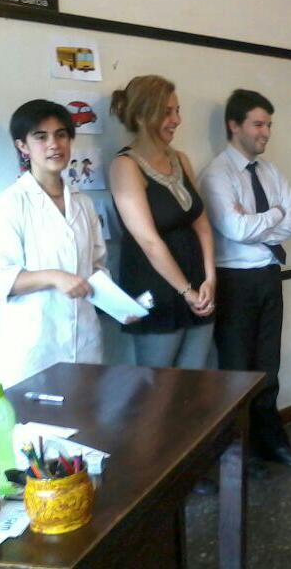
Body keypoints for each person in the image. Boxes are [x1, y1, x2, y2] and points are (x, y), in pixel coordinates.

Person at [200, 89, 291, 479]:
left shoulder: (270, 172)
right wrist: (274, 214)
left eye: (269, 125)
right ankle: (238, 454)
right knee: (236, 371)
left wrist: (266, 217)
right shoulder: (217, 174)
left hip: (268, 275)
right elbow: (236, 229)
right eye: (258, 124)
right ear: (234, 125)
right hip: (234, 282)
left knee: (268, 367)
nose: (266, 132)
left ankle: (271, 441)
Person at [0, 99, 107, 387]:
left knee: (86, 411)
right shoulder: (9, 205)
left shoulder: (83, 204)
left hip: (83, 342)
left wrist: (121, 306)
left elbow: (96, 267)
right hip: (33, 348)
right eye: (41, 136)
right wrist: (54, 277)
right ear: (22, 146)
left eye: (61, 135)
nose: (54, 144)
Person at [109, 75, 215, 370]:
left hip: (197, 281)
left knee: (197, 376)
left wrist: (210, 278)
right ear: (142, 116)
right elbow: (149, 241)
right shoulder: (125, 165)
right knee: (158, 384)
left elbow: (202, 223)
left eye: (177, 111)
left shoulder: (181, 159)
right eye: (167, 112)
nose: (176, 120)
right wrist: (186, 291)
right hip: (155, 286)